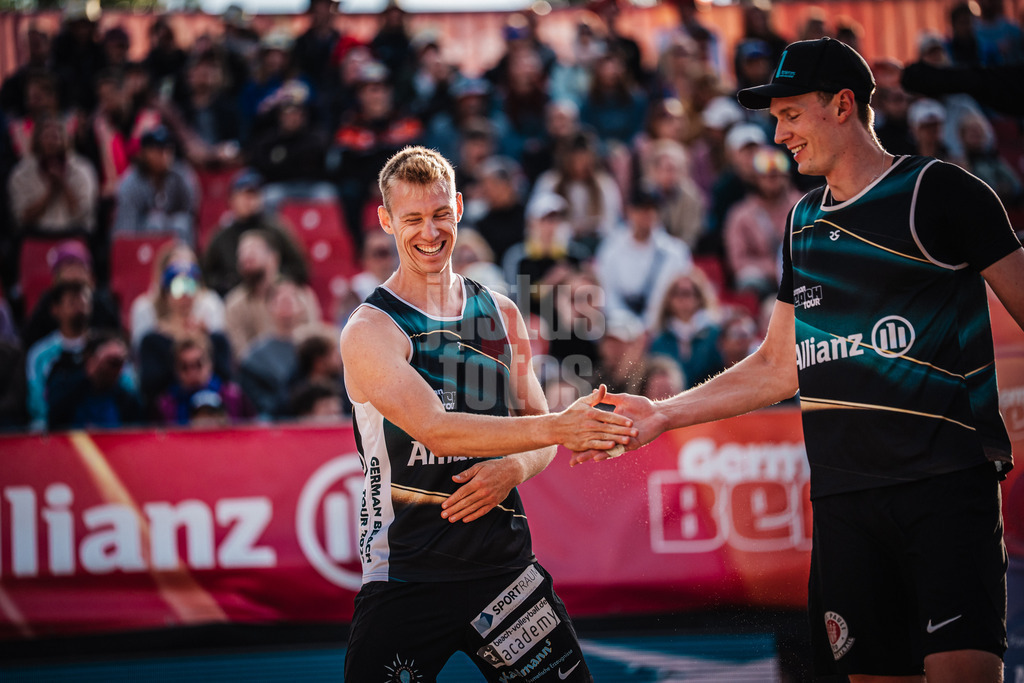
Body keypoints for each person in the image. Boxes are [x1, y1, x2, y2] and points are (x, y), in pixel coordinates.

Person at [573, 37, 1024, 682]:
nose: (779, 134)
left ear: (843, 105)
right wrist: (663, 415)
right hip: (845, 503)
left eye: (789, 115)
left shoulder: (938, 192)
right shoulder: (803, 221)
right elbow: (778, 365)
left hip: (946, 490)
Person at [339, 146, 633, 681]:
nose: (430, 233)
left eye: (439, 215)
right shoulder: (371, 330)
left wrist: (516, 467)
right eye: (412, 220)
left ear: (458, 206)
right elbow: (436, 428)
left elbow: (538, 437)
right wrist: (561, 427)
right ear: (386, 221)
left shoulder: (501, 311)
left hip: (503, 569)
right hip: (406, 574)